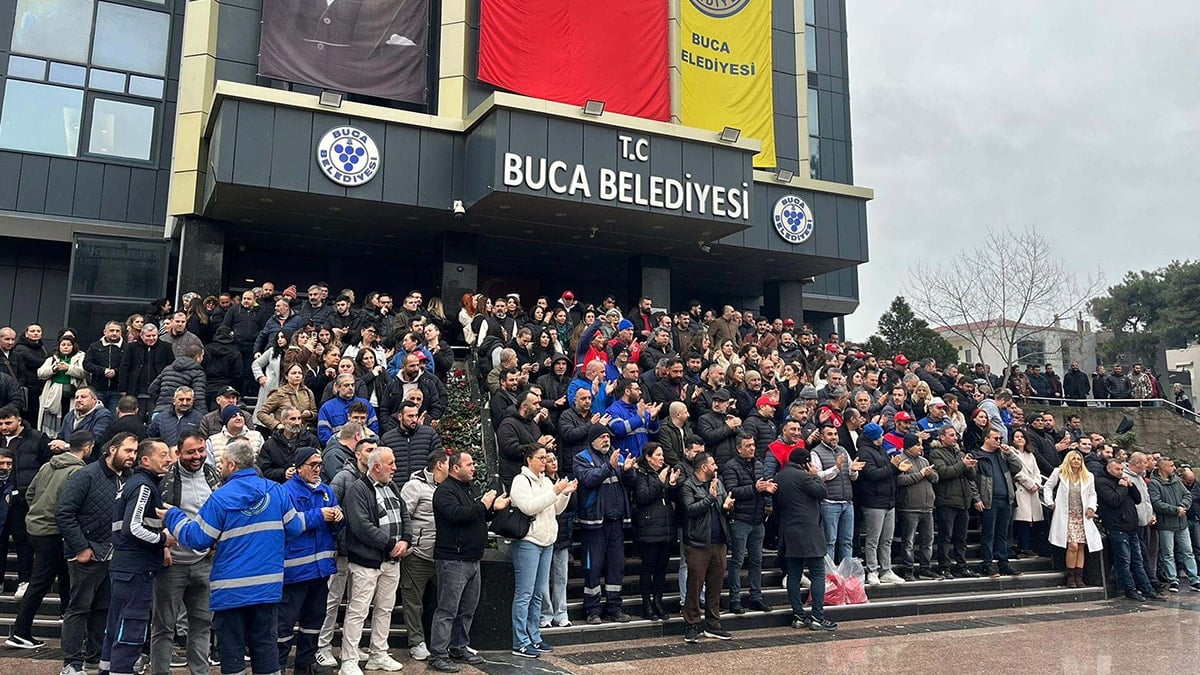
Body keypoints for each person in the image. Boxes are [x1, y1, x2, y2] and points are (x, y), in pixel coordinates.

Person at [162, 440, 304, 675]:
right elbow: (296, 527)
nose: (220, 466)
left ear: (232, 465)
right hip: (267, 587)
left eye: (222, 462)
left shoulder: (220, 497)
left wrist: (173, 516)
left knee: (232, 653)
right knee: (266, 649)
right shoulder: (276, 490)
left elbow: (197, 539)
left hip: (230, 591)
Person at [55, 432, 137, 674]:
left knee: (104, 609)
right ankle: (71, 662)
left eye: (135, 451)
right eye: (128, 450)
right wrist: (81, 547)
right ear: (112, 449)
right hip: (87, 553)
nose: (132, 456)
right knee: (79, 608)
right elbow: (64, 513)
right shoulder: (86, 475)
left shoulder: (130, 478)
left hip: (115, 554)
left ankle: (95, 657)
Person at [6, 430, 92, 650]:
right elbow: (73, 505)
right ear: (88, 448)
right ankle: (20, 631)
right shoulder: (78, 471)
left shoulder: (47, 466)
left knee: (64, 575)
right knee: (41, 582)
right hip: (54, 531)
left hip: (36, 527)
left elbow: (30, 493)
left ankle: (66, 620)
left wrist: (38, 510)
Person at [100, 438, 175, 675]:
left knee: (116, 624)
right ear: (145, 460)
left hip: (125, 567)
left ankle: (108, 669)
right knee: (131, 626)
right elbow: (133, 527)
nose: (169, 459)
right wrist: (163, 539)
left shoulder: (134, 483)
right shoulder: (144, 486)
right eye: (162, 455)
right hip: (136, 569)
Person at [151, 430, 221, 675]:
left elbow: (221, 514)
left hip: (204, 562)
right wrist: (162, 546)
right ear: (178, 453)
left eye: (201, 451)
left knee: (202, 624)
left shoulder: (214, 475)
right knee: (163, 627)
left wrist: (215, 545)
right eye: (191, 452)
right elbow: (153, 515)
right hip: (172, 563)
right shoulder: (163, 479)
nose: (197, 456)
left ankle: (200, 672)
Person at [340, 446, 411, 675]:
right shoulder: (358, 489)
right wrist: (391, 544)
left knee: (385, 609)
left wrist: (406, 540)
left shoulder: (392, 486)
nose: (395, 468)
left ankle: (378, 654)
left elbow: (404, 513)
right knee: (358, 611)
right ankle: (349, 660)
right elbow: (361, 526)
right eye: (391, 463)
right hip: (367, 561)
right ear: (377, 466)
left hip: (392, 561)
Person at [428, 451, 501, 673]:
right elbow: (456, 515)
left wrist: (492, 510)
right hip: (453, 559)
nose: (474, 467)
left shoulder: (469, 489)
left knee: (467, 609)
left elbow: (475, 516)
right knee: (447, 610)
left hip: (472, 559)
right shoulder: (444, 491)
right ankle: (438, 654)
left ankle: (459, 647)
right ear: (455, 468)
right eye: (469, 464)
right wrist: (483, 505)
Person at [278, 448, 343, 675]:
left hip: (321, 570)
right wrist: (320, 515)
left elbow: (335, 526)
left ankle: (305, 666)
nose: (317, 469)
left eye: (319, 465)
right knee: (284, 625)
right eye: (312, 465)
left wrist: (338, 517)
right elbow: (288, 525)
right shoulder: (286, 491)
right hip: (295, 571)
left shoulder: (326, 491)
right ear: (298, 468)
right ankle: (278, 667)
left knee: (314, 623)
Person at [508, 443, 575, 659]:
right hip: (528, 541)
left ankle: (534, 636)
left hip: (547, 541)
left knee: (538, 593)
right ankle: (520, 641)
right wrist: (555, 491)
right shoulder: (521, 481)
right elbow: (529, 507)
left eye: (546, 457)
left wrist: (564, 494)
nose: (545, 461)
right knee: (525, 593)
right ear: (529, 460)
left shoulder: (546, 481)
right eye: (541, 457)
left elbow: (556, 510)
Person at [573, 425, 634, 624]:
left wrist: (628, 471)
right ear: (592, 440)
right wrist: (609, 466)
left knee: (616, 567)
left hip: (616, 522)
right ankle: (592, 610)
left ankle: (614, 608)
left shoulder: (617, 456)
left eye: (608, 436)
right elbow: (588, 479)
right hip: (594, 524)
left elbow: (630, 483)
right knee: (593, 568)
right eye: (602, 437)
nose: (606, 440)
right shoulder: (581, 458)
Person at [773, 446, 837, 631]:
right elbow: (822, 492)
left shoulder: (779, 477)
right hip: (809, 532)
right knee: (817, 573)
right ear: (806, 463)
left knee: (794, 575)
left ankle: (799, 616)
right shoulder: (805, 476)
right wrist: (815, 475)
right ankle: (817, 616)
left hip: (788, 531)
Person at [678, 451, 735, 644]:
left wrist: (726, 506)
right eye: (712, 464)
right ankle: (692, 624)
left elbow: (721, 506)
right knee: (695, 585)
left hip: (719, 542)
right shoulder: (688, 486)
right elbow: (691, 510)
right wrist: (710, 498)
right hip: (697, 543)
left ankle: (713, 624)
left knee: (715, 585)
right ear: (703, 467)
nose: (716, 467)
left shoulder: (718, 483)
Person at [398, 450, 448, 663]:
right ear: (439, 465)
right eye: (449, 463)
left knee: (445, 602)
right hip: (417, 555)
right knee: (413, 602)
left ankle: (444, 642)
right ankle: (416, 642)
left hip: (443, 555)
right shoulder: (414, 486)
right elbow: (403, 516)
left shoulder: (448, 486)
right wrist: (408, 546)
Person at [0, 403, 51, 598]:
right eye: (1, 424)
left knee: (23, 541)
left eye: (8, 423)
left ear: (19, 420)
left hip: (22, 500)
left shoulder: (37, 439)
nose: (4, 427)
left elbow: (47, 467)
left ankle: (24, 581)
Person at [1096, 458, 1166, 601]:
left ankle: (1146, 588)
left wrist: (1131, 485)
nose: (1120, 472)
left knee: (1138, 559)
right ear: (1109, 469)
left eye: (1122, 469)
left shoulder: (1124, 481)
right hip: (1117, 526)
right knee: (1124, 560)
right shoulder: (1102, 482)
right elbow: (1114, 500)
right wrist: (1122, 487)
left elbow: (1137, 499)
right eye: (1117, 469)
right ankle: (1130, 589)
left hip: (1132, 526)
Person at [720, 432, 775, 611]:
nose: (752, 448)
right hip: (740, 518)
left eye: (753, 445)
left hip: (757, 519)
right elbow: (732, 491)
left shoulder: (758, 464)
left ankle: (756, 597)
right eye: (748, 446)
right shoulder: (730, 466)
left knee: (756, 560)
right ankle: (735, 599)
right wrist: (755, 488)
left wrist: (767, 490)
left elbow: (760, 489)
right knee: (737, 560)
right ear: (739, 449)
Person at [629, 442, 679, 621]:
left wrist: (672, 484)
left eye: (662, 455)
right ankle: (646, 604)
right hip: (648, 528)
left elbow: (672, 498)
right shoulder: (641, 474)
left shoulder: (665, 472)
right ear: (648, 457)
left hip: (666, 528)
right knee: (648, 568)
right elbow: (643, 497)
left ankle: (658, 601)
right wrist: (659, 481)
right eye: (658, 455)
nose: (662, 458)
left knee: (661, 569)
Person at [1041, 451, 1103, 588]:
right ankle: (1070, 575)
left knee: (1081, 546)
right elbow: (1048, 487)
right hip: (1066, 514)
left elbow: (1092, 494)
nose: (1076, 461)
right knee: (1072, 545)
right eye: (1073, 459)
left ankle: (1078, 576)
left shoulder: (1088, 476)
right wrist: (1050, 502)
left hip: (1082, 515)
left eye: (1079, 459)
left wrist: (1092, 507)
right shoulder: (1059, 473)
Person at [855, 425, 907, 585]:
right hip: (873, 501)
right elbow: (872, 474)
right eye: (880, 435)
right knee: (873, 540)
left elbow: (887, 471)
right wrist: (892, 467)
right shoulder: (864, 452)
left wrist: (897, 469)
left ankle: (886, 570)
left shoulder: (881, 450)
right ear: (873, 437)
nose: (882, 438)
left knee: (887, 539)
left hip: (888, 500)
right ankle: (872, 570)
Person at [971, 428, 1027, 578]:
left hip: (1006, 499)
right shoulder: (977, 455)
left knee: (1003, 534)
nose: (999, 441)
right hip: (988, 500)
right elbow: (971, 479)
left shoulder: (1002, 454)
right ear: (986, 439)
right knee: (988, 533)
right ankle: (987, 563)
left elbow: (1018, 467)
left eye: (1000, 439)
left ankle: (1003, 563)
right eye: (995, 438)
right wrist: (976, 498)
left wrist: (1010, 454)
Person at [929, 426, 981, 579]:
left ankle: (961, 565)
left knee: (961, 537)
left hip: (963, 500)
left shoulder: (960, 453)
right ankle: (944, 566)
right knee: (945, 536)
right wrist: (963, 465)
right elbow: (944, 472)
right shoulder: (936, 453)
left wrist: (970, 466)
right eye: (951, 435)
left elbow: (971, 476)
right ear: (942, 437)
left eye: (955, 435)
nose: (955, 438)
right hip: (946, 500)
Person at [809, 424, 861, 563]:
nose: (834, 437)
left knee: (847, 541)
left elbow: (853, 477)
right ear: (822, 436)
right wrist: (836, 468)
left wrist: (854, 470)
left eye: (835, 434)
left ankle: (846, 571)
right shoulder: (815, 452)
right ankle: (828, 572)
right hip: (829, 503)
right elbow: (818, 477)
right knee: (830, 541)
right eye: (829, 434)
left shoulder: (843, 450)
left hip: (847, 502)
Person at [1148, 456, 1200, 592]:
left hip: (1182, 523)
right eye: (1171, 466)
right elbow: (1156, 502)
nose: (1174, 468)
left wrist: (1183, 506)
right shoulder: (1154, 483)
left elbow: (1187, 495)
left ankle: (1194, 579)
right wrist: (1175, 510)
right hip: (1166, 523)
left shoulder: (1176, 480)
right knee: (1168, 553)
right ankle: (1173, 579)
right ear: (1163, 467)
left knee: (1188, 551)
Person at [36, 335, 87, 436]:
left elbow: (84, 373)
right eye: (63, 345)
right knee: (51, 416)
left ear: (73, 346)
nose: (66, 347)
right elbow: (40, 373)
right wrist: (53, 369)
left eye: (69, 345)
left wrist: (69, 368)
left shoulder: (80, 358)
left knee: (69, 416)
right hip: (53, 394)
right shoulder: (52, 359)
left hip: (71, 394)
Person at [1010, 428, 1046, 558]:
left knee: (1033, 520)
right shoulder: (1011, 453)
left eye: (1022, 436)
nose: (1020, 439)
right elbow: (1016, 472)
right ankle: (1023, 547)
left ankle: (1030, 547)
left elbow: (1037, 472)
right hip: (1021, 488)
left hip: (1033, 490)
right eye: (1017, 437)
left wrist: (1036, 483)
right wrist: (1030, 484)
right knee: (1022, 520)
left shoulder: (1030, 454)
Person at [83, 321, 125, 412]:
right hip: (98, 389)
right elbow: (87, 364)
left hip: (117, 390)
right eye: (111, 330)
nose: (114, 333)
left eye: (117, 331)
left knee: (114, 416)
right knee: (98, 415)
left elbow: (129, 365)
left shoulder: (127, 347)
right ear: (105, 332)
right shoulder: (94, 346)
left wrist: (116, 371)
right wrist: (103, 371)